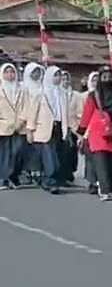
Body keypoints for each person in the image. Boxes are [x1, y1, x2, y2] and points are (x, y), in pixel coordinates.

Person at [78, 67, 112, 201]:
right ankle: (104, 189)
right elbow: (86, 115)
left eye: (110, 77)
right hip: (98, 133)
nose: (107, 80)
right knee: (101, 161)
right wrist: (81, 132)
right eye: (104, 77)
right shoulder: (94, 95)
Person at [22, 64, 67, 194]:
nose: (58, 78)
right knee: (49, 156)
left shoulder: (61, 93)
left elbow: (64, 113)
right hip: (44, 128)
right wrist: (30, 130)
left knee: (56, 156)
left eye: (59, 75)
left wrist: (66, 129)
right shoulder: (40, 94)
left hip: (58, 128)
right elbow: (33, 113)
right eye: (55, 75)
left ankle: (46, 177)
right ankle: (50, 182)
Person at [18, 63, 44, 184]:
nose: (36, 75)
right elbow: (22, 105)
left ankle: (37, 172)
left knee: (37, 149)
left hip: (40, 122)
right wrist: (24, 121)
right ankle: (26, 172)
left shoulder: (42, 86)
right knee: (25, 149)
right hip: (25, 122)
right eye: (33, 72)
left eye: (38, 72)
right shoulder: (23, 87)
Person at [0, 61, 23, 189]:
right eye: (6, 72)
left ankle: (13, 175)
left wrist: (21, 122)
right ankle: (3, 179)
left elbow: (25, 106)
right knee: (4, 154)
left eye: (12, 72)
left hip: (19, 126)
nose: (10, 75)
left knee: (17, 152)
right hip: (3, 126)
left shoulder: (20, 89)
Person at [77, 72, 100, 195]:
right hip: (88, 131)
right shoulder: (85, 96)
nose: (96, 82)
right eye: (94, 80)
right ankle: (92, 182)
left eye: (98, 79)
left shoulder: (106, 95)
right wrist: (81, 132)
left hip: (101, 130)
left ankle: (101, 182)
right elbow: (82, 114)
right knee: (90, 158)